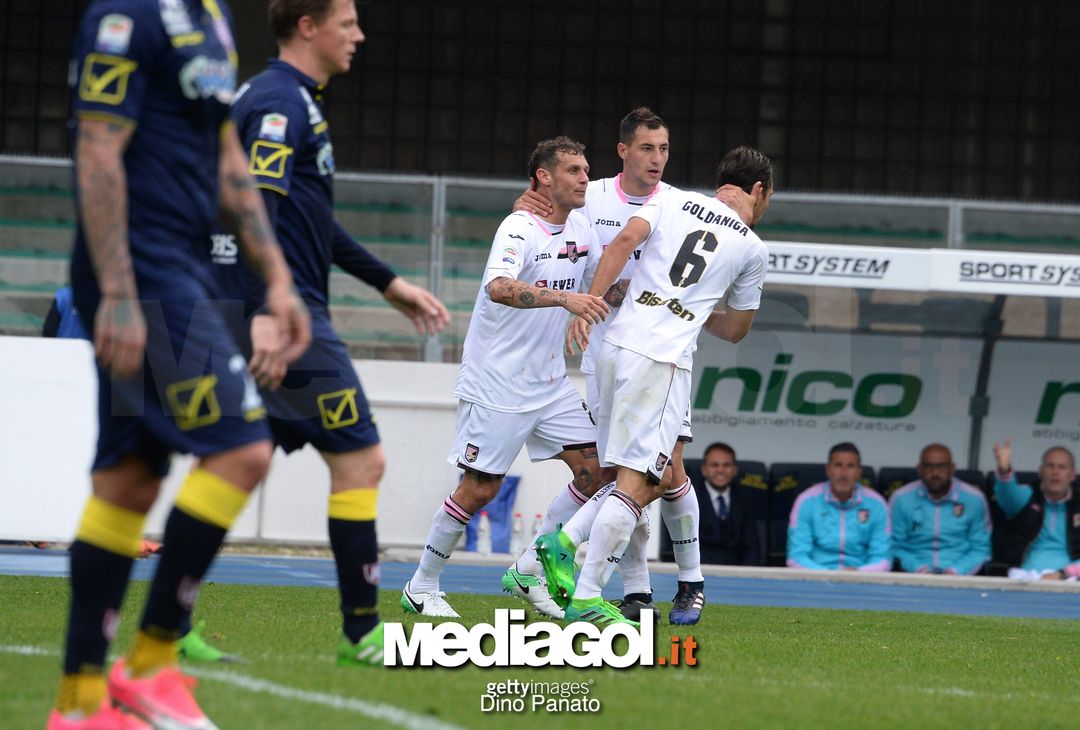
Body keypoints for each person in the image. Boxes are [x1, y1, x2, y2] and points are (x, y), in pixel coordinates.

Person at [52, 1, 311, 728]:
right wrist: (120, 292)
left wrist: (280, 277)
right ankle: (152, 660)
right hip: (145, 271)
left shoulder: (211, 17)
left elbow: (230, 159)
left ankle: (76, 708)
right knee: (243, 448)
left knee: (128, 480)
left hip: (183, 266)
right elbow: (98, 147)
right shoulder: (125, 13)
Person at [214, 0, 450, 666]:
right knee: (361, 460)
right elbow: (255, 205)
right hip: (283, 316)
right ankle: (363, 634)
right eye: (348, 23)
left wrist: (388, 283)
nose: (360, 35)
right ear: (309, 26)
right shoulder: (279, 104)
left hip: (272, 308)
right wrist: (266, 307)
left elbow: (312, 220)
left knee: (234, 460)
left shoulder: (291, 100)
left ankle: (170, 625)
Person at [519, 107, 755, 624]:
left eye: (665, 149)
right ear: (624, 150)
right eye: (647, 148)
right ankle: (632, 586)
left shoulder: (676, 203)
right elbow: (557, 231)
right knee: (629, 473)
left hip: (660, 352)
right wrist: (530, 215)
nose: (657, 159)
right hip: (608, 346)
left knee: (665, 471)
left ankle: (684, 582)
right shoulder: (595, 195)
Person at [401, 136, 609, 618]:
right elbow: (498, 287)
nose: (584, 179)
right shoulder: (518, 227)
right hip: (497, 384)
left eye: (586, 170)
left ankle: (531, 566)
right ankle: (422, 584)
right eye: (574, 171)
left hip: (551, 382)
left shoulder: (582, 224)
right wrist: (566, 300)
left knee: (598, 470)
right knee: (480, 490)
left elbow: (604, 278)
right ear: (544, 177)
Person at [889, 443, 991, 575]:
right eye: (928, 466)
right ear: (919, 469)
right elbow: (895, 545)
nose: (935, 473)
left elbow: (981, 549)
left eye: (941, 466)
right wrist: (918, 569)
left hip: (961, 576)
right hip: (913, 575)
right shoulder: (901, 498)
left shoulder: (974, 499)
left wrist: (955, 571)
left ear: (952, 469)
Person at [786, 443, 890, 572]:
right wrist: (828, 574)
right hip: (816, 577)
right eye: (838, 465)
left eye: (850, 466)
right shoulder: (807, 501)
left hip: (861, 577)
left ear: (859, 472)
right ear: (828, 470)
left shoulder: (876, 504)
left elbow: (883, 558)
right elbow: (796, 557)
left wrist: (861, 573)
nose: (844, 473)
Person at [992, 438, 1080, 579]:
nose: (1055, 472)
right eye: (1050, 466)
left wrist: (1064, 574)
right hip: (1023, 576)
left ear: (1072, 475)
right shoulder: (1026, 496)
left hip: (1071, 579)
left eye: (1062, 467)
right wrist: (1004, 469)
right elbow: (1006, 493)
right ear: (1040, 472)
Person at [695, 442, 762, 566]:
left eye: (726, 465)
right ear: (704, 470)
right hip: (699, 574)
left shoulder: (745, 499)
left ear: (734, 470)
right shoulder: (690, 498)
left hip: (737, 575)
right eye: (714, 465)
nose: (720, 470)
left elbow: (752, 549)